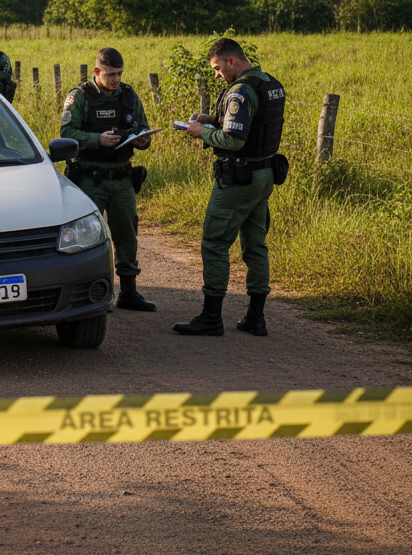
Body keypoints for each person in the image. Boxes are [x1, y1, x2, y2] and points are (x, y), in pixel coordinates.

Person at [175, 37, 285, 337]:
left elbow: (234, 140)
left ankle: (211, 317)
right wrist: (213, 119)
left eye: (217, 68)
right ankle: (256, 317)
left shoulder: (240, 90)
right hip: (264, 175)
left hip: (239, 177)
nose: (216, 75)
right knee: (255, 245)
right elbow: (254, 125)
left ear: (231, 61)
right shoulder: (269, 83)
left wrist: (201, 132)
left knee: (214, 242)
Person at [59, 48, 157, 311]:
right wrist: (97, 139)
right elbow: (67, 132)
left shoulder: (128, 95)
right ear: (96, 71)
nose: (116, 79)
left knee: (127, 234)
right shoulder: (80, 96)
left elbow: (143, 127)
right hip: (89, 178)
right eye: (111, 74)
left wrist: (142, 140)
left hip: (122, 177)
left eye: (119, 74)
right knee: (85, 236)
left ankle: (129, 292)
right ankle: (85, 293)